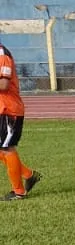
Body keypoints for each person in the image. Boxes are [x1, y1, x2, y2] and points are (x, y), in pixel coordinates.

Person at [0, 37, 39, 202]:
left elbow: (3, 85)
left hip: (9, 109)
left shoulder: (2, 54)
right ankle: (29, 175)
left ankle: (19, 191)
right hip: (2, 108)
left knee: (7, 148)